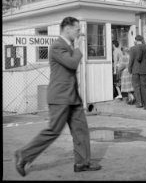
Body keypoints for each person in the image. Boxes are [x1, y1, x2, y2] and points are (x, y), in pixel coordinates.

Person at [15, 17, 101, 177]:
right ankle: (24, 155)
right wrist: (79, 48)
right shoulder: (57, 46)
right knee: (53, 131)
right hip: (60, 98)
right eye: (77, 30)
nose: (79, 33)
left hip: (72, 98)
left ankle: (82, 163)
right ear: (67, 29)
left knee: (81, 130)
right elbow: (72, 63)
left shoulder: (67, 46)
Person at [128, 35, 144, 108]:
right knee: (144, 86)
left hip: (135, 70)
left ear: (136, 40)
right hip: (144, 70)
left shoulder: (133, 48)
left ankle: (139, 102)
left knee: (136, 87)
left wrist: (129, 69)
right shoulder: (145, 47)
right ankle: (144, 102)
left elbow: (131, 60)